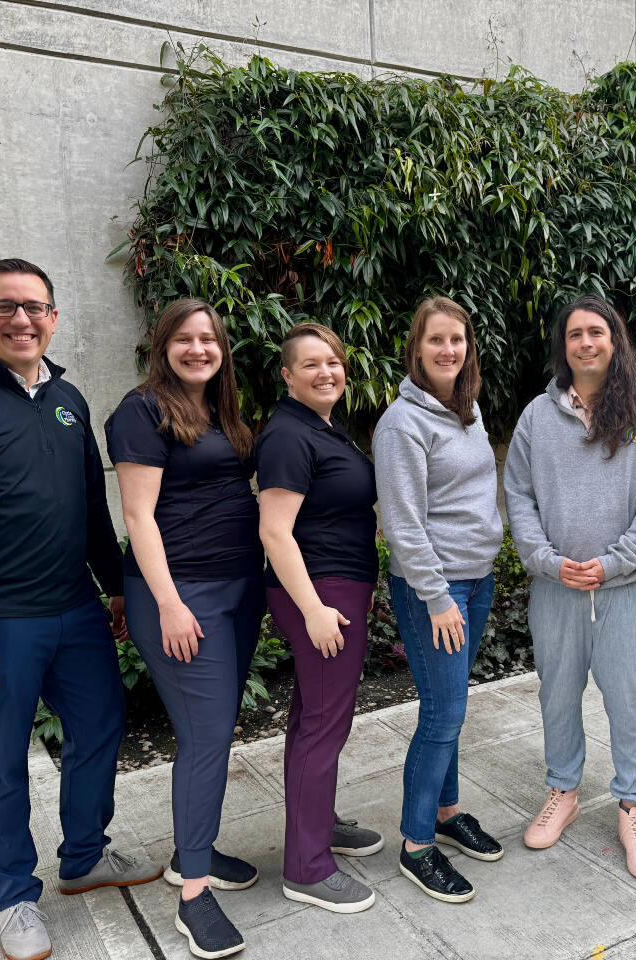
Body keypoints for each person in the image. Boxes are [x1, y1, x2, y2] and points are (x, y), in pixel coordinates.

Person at [0, 258, 161, 960]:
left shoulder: (69, 399)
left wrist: (115, 586)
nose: (21, 319)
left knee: (101, 730)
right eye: (5, 306)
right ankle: (15, 896)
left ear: (53, 316)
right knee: (1, 762)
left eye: (34, 307)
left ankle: (83, 858)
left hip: (75, 610)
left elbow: (90, 512)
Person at [503, 294, 636, 883]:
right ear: (564, 346)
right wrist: (549, 562)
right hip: (555, 590)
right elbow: (519, 498)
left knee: (627, 698)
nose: (586, 342)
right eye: (574, 333)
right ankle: (564, 790)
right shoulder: (536, 417)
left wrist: (612, 564)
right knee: (557, 694)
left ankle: (633, 805)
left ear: (615, 340)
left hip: (624, 589)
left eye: (596, 332)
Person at [105, 299, 262, 958]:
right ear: (161, 344)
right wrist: (170, 603)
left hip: (238, 590)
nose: (199, 349)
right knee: (204, 737)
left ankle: (191, 850)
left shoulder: (222, 411)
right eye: (185, 339)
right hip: (182, 596)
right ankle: (193, 894)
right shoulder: (140, 412)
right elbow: (139, 517)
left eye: (210, 339)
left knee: (214, 732)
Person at [373, 297, 505, 903]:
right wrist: (435, 597)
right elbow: (401, 522)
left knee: (450, 705)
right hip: (437, 588)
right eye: (436, 341)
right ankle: (416, 843)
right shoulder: (403, 424)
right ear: (416, 348)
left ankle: (447, 812)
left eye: (457, 339)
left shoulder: (467, 410)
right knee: (442, 714)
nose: (448, 350)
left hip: (475, 580)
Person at [255, 322, 384, 913]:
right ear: (287, 375)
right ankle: (307, 866)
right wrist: (314, 610)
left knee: (314, 715)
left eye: (332, 362)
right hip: (321, 592)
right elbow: (274, 531)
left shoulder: (322, 427)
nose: (325, 372)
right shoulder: (287, 435)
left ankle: (318, 822)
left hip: (336, 587)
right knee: (325, 724)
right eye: (310, 364)